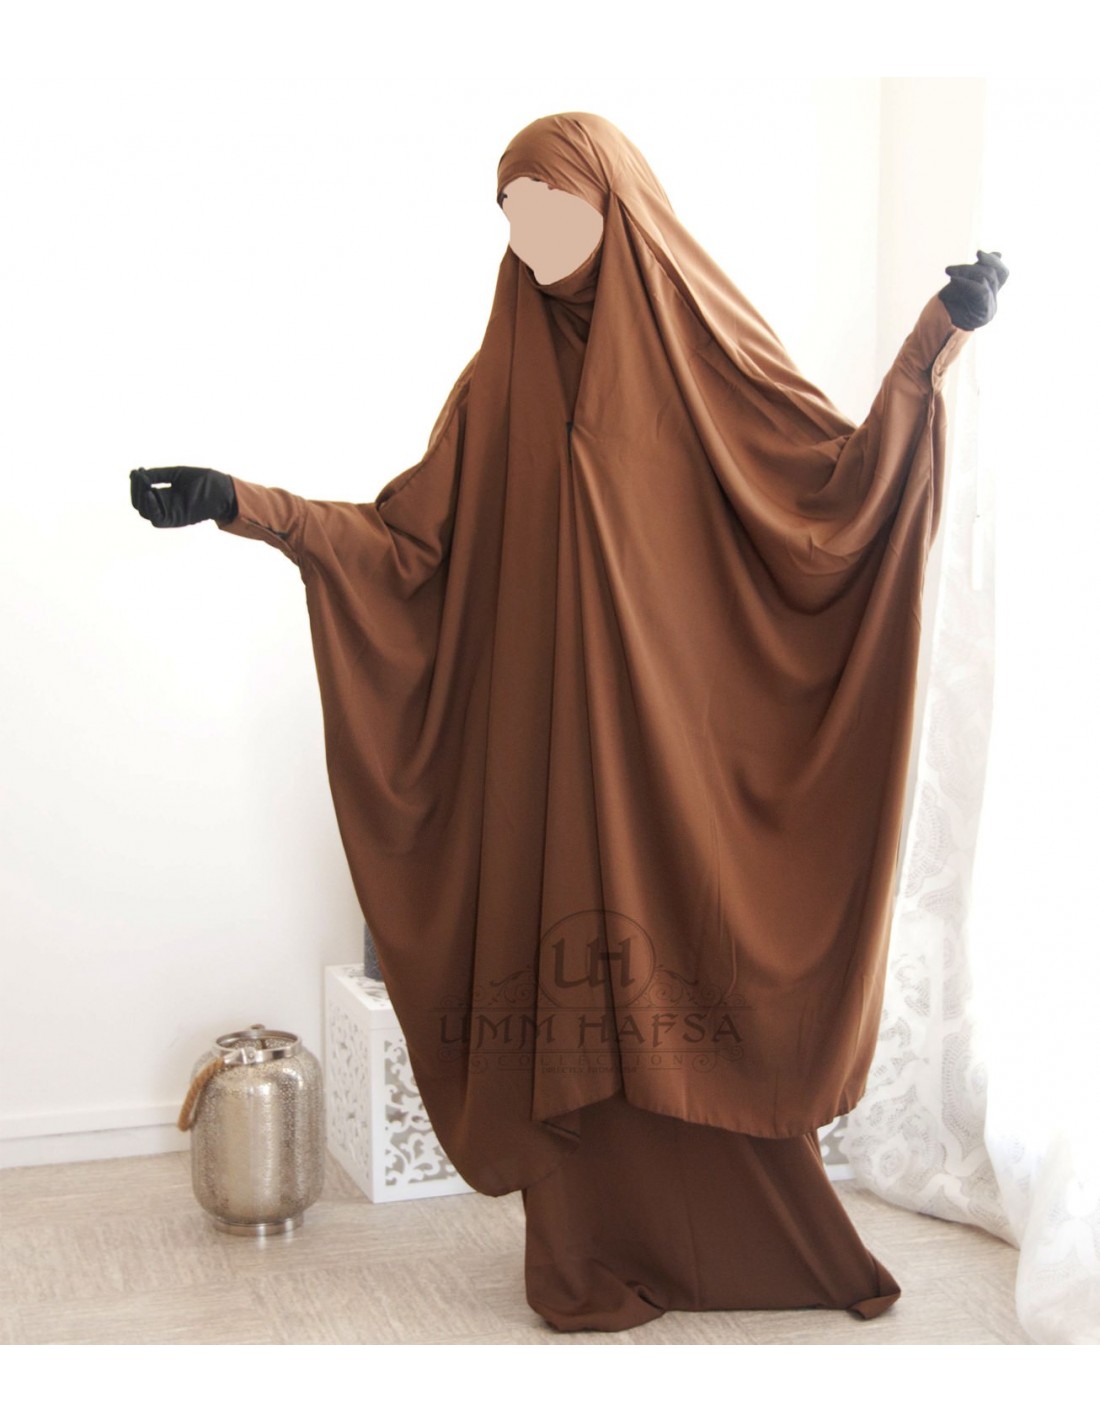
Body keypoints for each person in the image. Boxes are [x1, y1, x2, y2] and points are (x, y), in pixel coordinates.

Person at [130, 112, 1007, 1333]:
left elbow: (836, 497)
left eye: (551, 208)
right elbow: (401, 548)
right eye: (509, 216)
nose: (528, 237)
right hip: (548, 772)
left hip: (677, 765)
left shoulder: (709, 352)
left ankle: (761, 1244)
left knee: (684, 990)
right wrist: (244, 502)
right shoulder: (498, 383)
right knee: (575, 1007)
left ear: (619, 208)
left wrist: (932, 339)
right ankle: (591, 1251)